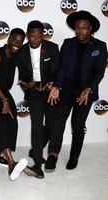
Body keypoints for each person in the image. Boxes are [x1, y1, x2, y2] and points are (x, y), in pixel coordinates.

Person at [46, 10, 107, 171]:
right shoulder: (68, 43)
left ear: (91, 28)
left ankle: (74, 156)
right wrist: (57, 86)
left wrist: (89, 88)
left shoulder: (100, 46)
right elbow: (61, 68)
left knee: (78, 124)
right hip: (66, 89)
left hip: (84, 92)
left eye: (84, 27)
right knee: (59, 120)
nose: (80, 31)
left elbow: (99, 71)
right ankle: (53, 155)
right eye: (77, 27)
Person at [0, 28, 28, 181]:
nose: (17, 43)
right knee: (0, 124)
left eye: (20, 41)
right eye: (15, 40)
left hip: (3, 92)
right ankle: (11, 164)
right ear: (9, 39)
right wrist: (4, 100)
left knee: (12, 121)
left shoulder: (16, 54)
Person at [17, 20, 59, 178]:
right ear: (27, 35)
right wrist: (29, 85)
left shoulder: (52, 48)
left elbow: (56, 72)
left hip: (50, 91)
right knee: (36, 126)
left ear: (43, 35)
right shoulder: (21, 52)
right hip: (34, 92)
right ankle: (37, 164)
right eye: (32, 35)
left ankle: (37, 149)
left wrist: (49, 84)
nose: (35, 39)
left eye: (38, 35)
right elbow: (22, 76)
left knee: (50, 124)